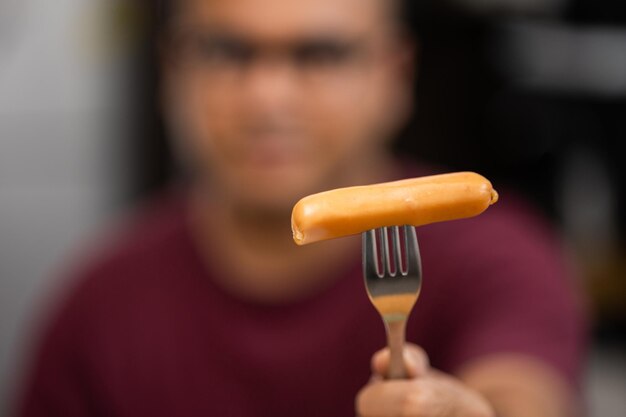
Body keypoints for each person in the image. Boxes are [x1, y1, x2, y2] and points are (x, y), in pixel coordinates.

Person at [14, 0, 586, 416]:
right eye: (226, 50)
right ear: (172, 72)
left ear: (396, 74)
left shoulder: (499, 257)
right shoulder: (101, 299)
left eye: (321, 54)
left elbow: (524, 393)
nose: (268, 97)